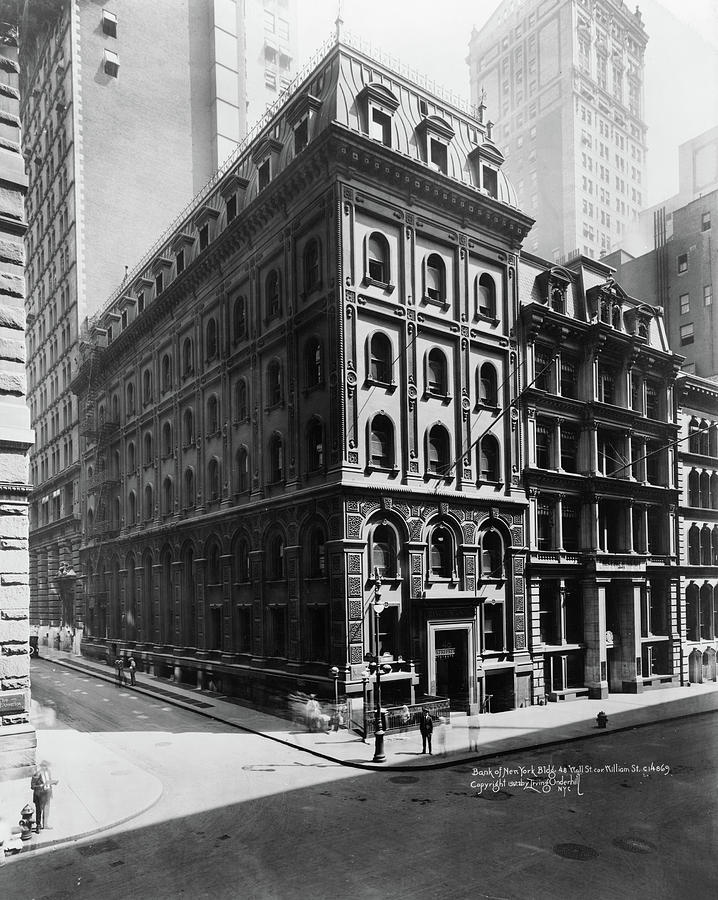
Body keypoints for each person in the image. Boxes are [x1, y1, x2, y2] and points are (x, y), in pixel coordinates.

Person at [30, 760, 57, 832]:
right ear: (41, 766)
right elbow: (32, 786)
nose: (46, 767)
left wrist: (53, 782)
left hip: (47, 794)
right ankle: (38, 826)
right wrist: (41, 785)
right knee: (39, 811)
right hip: (39, 795)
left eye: (47, 766)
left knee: (46, 810)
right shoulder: (37, 774)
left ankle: (45, 825)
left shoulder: (48, 772)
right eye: (44, 766)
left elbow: (49, 781)